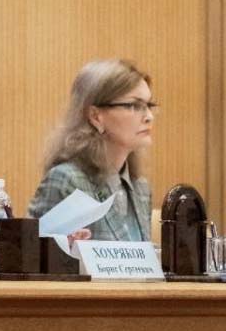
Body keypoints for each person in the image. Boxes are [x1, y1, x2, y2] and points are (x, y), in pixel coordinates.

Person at [28, 59, 155, 241]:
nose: (149, 117)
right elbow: (30, 254)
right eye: (134, 106)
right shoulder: (66, 180)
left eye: (149, 106)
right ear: (96, 116)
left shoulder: (141, 188)